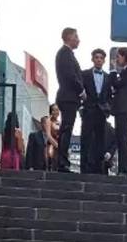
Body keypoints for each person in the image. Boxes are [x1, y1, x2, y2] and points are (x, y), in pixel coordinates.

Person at [55, 27, 85, 172]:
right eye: (76, 36)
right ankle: (62, 161)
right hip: (68, 97)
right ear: (68, 37)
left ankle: (62, 159)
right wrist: (82, 91)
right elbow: (71, 76)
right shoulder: (65, 54)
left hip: (68, 97)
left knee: (66, 128)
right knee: (66, 129)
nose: (78, 39)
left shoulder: (67, 54)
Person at [81, 48, 112, 174]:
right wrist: (81, 108)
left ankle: (99, 169)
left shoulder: (108, 77)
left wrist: (108, 108)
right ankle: (84, 169)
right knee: (86, 139)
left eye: (101, 58)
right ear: (92, 59)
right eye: (96, 57)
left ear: (104, 60)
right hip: (88, 110)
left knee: (101, 140)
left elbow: (110, 95)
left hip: (102, 112)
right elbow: (79, 90)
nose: (99, 60)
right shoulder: (84, 74)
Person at [109, 47, 127, 176]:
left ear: (124, 57)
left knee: (123, 138)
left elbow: (116, 84)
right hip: (122, 110)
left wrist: (112, 70)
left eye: (118, 57)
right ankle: (123, 168)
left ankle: (124, 169)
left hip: (123, 110)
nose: (117, 59)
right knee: (121, 138)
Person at [45, 104, 60, 170]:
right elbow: (48, 135)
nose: (56, 112)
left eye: (57, 110)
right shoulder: (48, 121)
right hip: (51, 146)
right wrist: (56, 145)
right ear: (51, 111)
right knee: (51, 164)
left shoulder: (59, 122)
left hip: (59, 147)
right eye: (54, 110)